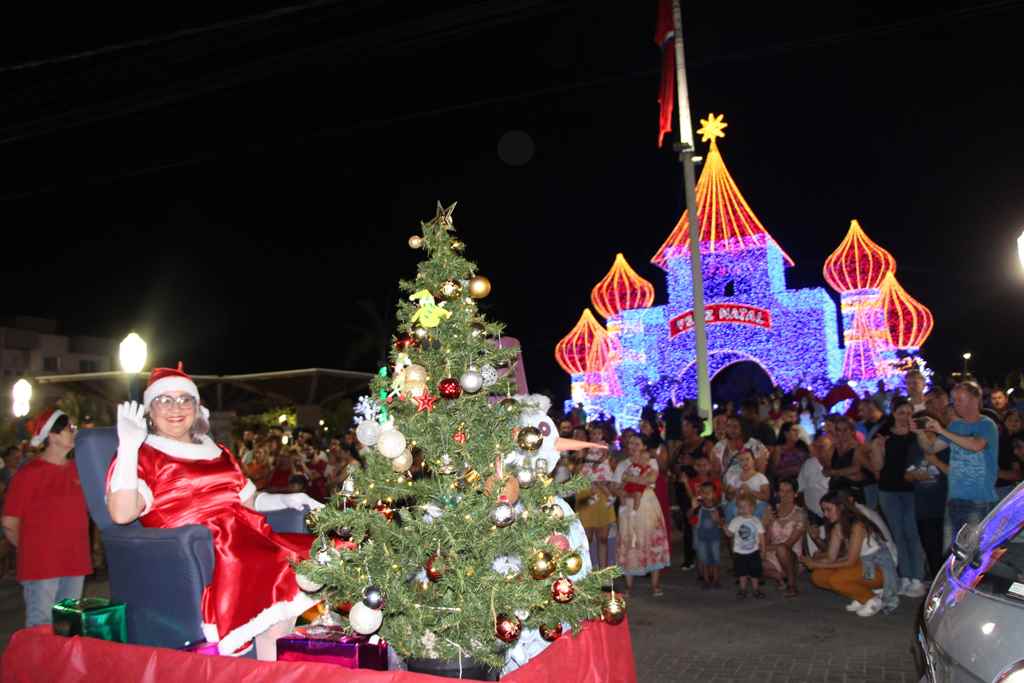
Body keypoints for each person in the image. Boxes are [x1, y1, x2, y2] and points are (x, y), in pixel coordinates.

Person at [105, 364, 323, 660]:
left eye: (185, 399)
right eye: (164, 400)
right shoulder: (146, 455)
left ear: (197, 408)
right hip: (205, 548)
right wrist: (129, 447)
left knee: (314, 556)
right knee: (281, 565)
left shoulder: (218, 451)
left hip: (245, 535)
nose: (175, 408)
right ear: (149, 410)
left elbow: (249, 501)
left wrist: (287, 500)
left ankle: (280, 659)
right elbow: (121, 514)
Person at [1, 408, 92, 627]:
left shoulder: (78, 471)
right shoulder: (29, 474)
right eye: (70, 428)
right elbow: (9, 522)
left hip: (75, 561)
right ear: (52, 435)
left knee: (69, 625)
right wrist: (32, 549)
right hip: (42, 566)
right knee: (41, 627)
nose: (74, 432)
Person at [915, 381, 999, 537]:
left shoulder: (986, 424)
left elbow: (976, 445)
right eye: (954, 400)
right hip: (955, 499)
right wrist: (920, 432)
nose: (956, 404)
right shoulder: (955, 426)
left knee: (974, 552)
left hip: (978, 501)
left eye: (960, 399)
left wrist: (942, 430)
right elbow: (931, 448)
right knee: (956, 554)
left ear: (975, 400)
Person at [803, 492, 898, 617]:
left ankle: (872, 599)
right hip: (863, 564)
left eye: (828, 509)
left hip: (880, 568)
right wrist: (815, 560)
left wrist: (816, 563)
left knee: (836, 579)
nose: (825, 514)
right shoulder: (838, 526)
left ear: (841, 507)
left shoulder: (857, 525)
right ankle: (861, 596)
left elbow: (850, 561)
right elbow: (832, 557)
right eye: (823, 510)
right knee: (818, 576)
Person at [869, 398, 928, 598]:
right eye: (901, 412)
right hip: (889, 490)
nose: (905, 416)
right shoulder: (884, 436)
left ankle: (918, 578)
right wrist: (879, 449)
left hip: (912, 490)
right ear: (894, 414)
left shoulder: (916, 436)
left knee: (912, 533)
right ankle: (905, 576)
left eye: (909, 413)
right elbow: (877, 467)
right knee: (897, 534)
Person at [613, 435, 670, 597]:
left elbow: (650, 479)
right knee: (629, 541)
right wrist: (621, 491)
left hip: (647, 504)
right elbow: (615, 485)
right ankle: (629, 586)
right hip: (628, 506)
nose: (633, 446)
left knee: (650, 540)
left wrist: (629, 478)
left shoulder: (650, 462)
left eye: (637, 443)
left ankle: (655, 584)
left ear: (644, 446)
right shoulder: (622, 464)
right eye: (631, 443)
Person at [904, 414, 950, 576]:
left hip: (946, 506)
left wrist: (935, 461)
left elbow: (955, 473)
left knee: (949, 551)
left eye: (924, 422)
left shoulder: (946, 443)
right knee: (931, 550)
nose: (922, 426)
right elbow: (906, 475)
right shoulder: (913, 446)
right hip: (923, 508)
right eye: (918, 423)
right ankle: (937, 584)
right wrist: (914, 475)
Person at [762, 479, 807, 598]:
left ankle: (791, 585)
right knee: (747, 557)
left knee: (782, 549)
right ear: (777, 493)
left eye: (789, 491)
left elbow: (789, 544)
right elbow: (765, 539)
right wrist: (765, 524)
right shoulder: (771, 510)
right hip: (772, 552)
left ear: (795, 493)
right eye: (781, 491)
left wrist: (765, 548)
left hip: (791, 555)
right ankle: (781, 577)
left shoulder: (800, 514)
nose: (785, 494)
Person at [576, 437, 616, 570]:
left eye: (599, 432)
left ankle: (603, 573)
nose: (596, 435)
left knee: (603, 538)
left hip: (602, 497)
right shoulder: (582, 450)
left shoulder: (604, 450)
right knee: (586, 539)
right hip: (585, 495)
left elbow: (612, 472)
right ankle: (585, 572)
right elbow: (576, 473)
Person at [722, 493, 766, 599]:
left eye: (744, 506)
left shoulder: (756, 521)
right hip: (740, 553)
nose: (742, 509)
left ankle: (756, 590)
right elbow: (730, 534)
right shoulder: (736, 520)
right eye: (740, 507)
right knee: (742, 573)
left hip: (754, 552)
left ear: (752, 507)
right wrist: (724, 528)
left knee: (755, 573)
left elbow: (761, 536)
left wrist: (763, 550)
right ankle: (743, 590)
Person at [689, 481, 723, 589]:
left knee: (715, 560)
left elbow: (722, 524)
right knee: (704, 560)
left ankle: (716, 580)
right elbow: (690, 519)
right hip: (702, 539)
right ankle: (706, 580)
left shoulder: (718, 508)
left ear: (714, 494)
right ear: (700, 494)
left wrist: (717, 520)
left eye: (709, 492)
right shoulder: (699, 508)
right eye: (703, 492)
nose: (706, 495)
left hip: (715, 539)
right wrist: (692, 508)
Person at [723, 449, 770, 521]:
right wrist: (736, 492)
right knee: (729, 507)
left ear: (753, 460)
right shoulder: (734, 478)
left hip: (756, 508)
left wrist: (750, 491)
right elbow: (728, 497)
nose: (744, 462)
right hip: (738, 508)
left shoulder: (761, 477)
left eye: (747, 459)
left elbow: (766, 497)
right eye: (741, 460)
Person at [799, 433, 832, 524]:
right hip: (812, 514)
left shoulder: (838, 464)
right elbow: (800, 489)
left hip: (833, 514)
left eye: (822, 446)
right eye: (816, 446)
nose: (818, 449)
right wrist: (804, 511)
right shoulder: (808, 463)